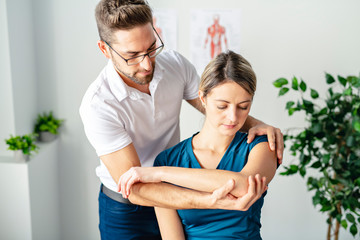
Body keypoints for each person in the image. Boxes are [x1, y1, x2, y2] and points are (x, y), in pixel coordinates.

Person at [79, 0, 283, 239]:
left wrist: (257, 125)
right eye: (132, 56)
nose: (146, 64)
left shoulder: (174, 66)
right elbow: (135, 187)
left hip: (176, 180)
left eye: (151, 48)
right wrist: (210, 200)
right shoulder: (99, 105)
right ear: (105, 50)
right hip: (128, 207)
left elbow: (216, 101)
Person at [119, 50, 278, 239]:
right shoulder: (169, 159)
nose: (233, 117)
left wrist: (160, 173)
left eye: (243, 106)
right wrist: (161, 168)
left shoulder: (261, 145)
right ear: (202, 98)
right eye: (222, 106)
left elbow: (243, 185)